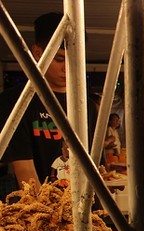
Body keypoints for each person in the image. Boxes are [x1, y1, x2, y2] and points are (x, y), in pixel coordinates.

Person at [0, 12, 98, 191]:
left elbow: (94, 168)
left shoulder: (87, 107)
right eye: (59, 59)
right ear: (37, 53)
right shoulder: (16, 102)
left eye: (74, 60)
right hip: (38, 206)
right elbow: (25, 172)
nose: (67, 67)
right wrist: (52, 216)